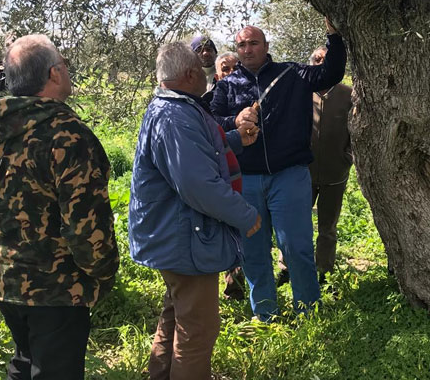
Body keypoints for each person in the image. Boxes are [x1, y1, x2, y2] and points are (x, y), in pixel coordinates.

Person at [0, 34, 119, 379]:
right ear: (54, 73)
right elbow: (87, 227)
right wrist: (102, 273)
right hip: (56, 289)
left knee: (24, 363)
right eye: (65, 65)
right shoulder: (69, 136)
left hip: (4, 279)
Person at [128, 41, 260, 379]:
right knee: (198, 329)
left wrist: (232, 139)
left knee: (176, 315)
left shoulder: (177, 107)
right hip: (185, 237)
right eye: (201, 71)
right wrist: (246, 215)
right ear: (188, 75)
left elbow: (197, 153)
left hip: (179, 236)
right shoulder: (175, 115)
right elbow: (198, 186)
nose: (206, 76)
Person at [210, 19, 347, 321]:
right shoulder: (227, 86)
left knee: (296, 247)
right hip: (246, 180)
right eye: (241, 45)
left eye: (253, 43)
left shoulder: (292, 73)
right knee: (253, 251)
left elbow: (332, 72)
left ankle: (309, 312)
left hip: (290, 175)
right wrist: (233, 121)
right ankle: (266, 316)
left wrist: (334, 37)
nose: (247, 49)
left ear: (266, 47)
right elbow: (209, 123)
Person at [278, 46, 353, 284]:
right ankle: (287, 267)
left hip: (335, 172)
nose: (322, 63)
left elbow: (357, 129)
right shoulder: (301, 91)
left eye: (326, 60)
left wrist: (348, 156)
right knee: (294, 223)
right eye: (317, 60)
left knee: (328, 228)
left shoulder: (348, 94)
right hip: (303, 173)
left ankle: (324, 272)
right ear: (311, 64)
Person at [210, 51, 249, 301]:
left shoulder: (249, 91)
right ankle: (233, 285)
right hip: (224, 173)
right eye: (226, 68)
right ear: (217, 75)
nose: (232, 71)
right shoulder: (211, 97)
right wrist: (236, 122)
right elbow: (212, 124)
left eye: (236, 67)